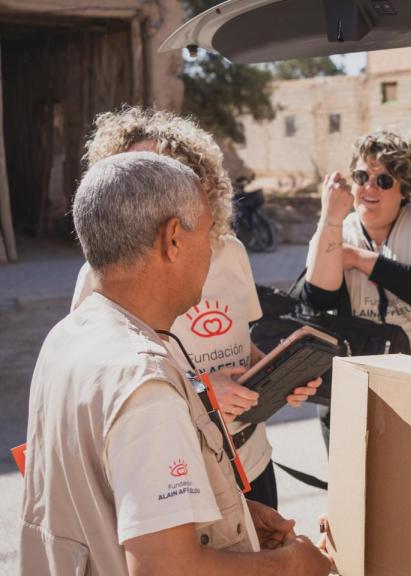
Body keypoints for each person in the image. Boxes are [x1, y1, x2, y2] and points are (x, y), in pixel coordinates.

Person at [21, 152, 331, 575]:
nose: (210, 249)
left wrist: (227, 514)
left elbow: (105, 496)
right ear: (173, 239)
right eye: (207, 232)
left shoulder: (68, 337)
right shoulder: (145, 385)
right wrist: (293, 566)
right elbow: (166, 568)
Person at [71, 107, 317, 509]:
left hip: (251, 460)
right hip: (179, 475)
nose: (156, 188)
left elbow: (243, 346)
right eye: (138, 173)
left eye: (169, 172)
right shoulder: (99, 277)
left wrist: (275, 375)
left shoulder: (231, 251)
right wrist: (204, 390)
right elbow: (102, 391)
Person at [301, 130, 411, 444]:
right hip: (357, 385)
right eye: (362, 177)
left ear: (404, 189)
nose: (369, 188)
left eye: (384, 181)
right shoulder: (338, 229)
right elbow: (317, 300)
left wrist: (359, 259)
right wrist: (329, 220)